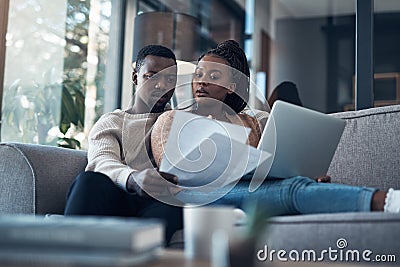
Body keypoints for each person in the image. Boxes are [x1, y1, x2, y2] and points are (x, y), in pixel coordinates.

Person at [151, 40, 400, 215]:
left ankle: (377, 199)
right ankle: (388, 201)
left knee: (298, 184)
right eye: (198, 74)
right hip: (196, 194)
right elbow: (172, 169)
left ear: (231, 87)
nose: (201, 82)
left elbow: (267, 168)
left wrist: (303, 174)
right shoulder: (172, 119)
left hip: (246, 190)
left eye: (214, 77)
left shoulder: (250, 123)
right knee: (291, 190)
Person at [64, 44, 183, 243]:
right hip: (115, 197)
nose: (162, 85)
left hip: (157, 205)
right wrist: (133, 178)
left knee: (173, 203)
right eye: (152, 76)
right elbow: (101, 161)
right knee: (89, 180)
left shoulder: (181, 122)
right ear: (136, 78)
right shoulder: (113, 121)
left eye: (170, 79)